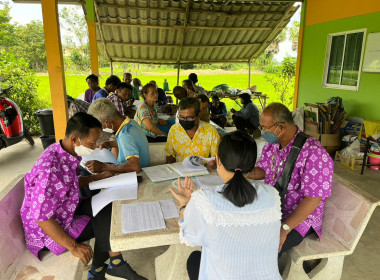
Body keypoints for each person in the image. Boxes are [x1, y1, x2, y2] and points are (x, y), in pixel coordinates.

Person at [20, 112, 147, 280]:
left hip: (65, 211)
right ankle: (110, 266)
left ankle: (106, 268)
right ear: (75, 139)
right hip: (47, 232)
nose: (95, 147)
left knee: (108, 207)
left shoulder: (63, 151)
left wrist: (98, 178)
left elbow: (68, 183)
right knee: (106, 224)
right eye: (92, 142)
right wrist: (74, 247)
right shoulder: (49, 170)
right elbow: (41, 217)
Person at [170, 131, 282, 280]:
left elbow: (187, 238)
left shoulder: (204, 199)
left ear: (218, 160)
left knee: (194, 259)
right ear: (253, 165)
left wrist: (185, 205)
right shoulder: (272, 195)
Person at [247, 102, 334, 256]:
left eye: (265, 128)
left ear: (281, 127)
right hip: (275, 207)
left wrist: (284, 228)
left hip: (299, 218)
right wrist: (240, 171)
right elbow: (263, 171)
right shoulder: (273, 145)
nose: (263, 132)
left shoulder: (314, 153)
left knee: (264, 250)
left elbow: (313, 199)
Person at [87, 99, 150, 173]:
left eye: (100, 125)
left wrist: (103, 167)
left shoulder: (125, 134)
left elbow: (135, 167)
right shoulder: (131, 122)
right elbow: (132, 143)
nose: (102, 128)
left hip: (138, 176)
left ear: (107, 122)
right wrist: (112, 144)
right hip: (145, 169)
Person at [165, 97, 220, 167]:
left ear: (199, 115)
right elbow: (169, 155)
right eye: (181, 117)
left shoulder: (211, 131)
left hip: (204, 174)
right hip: (181, 174)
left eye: (189, 118)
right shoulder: (174, 130)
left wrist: (213, 164)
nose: (184, 121)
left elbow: (216, 158)